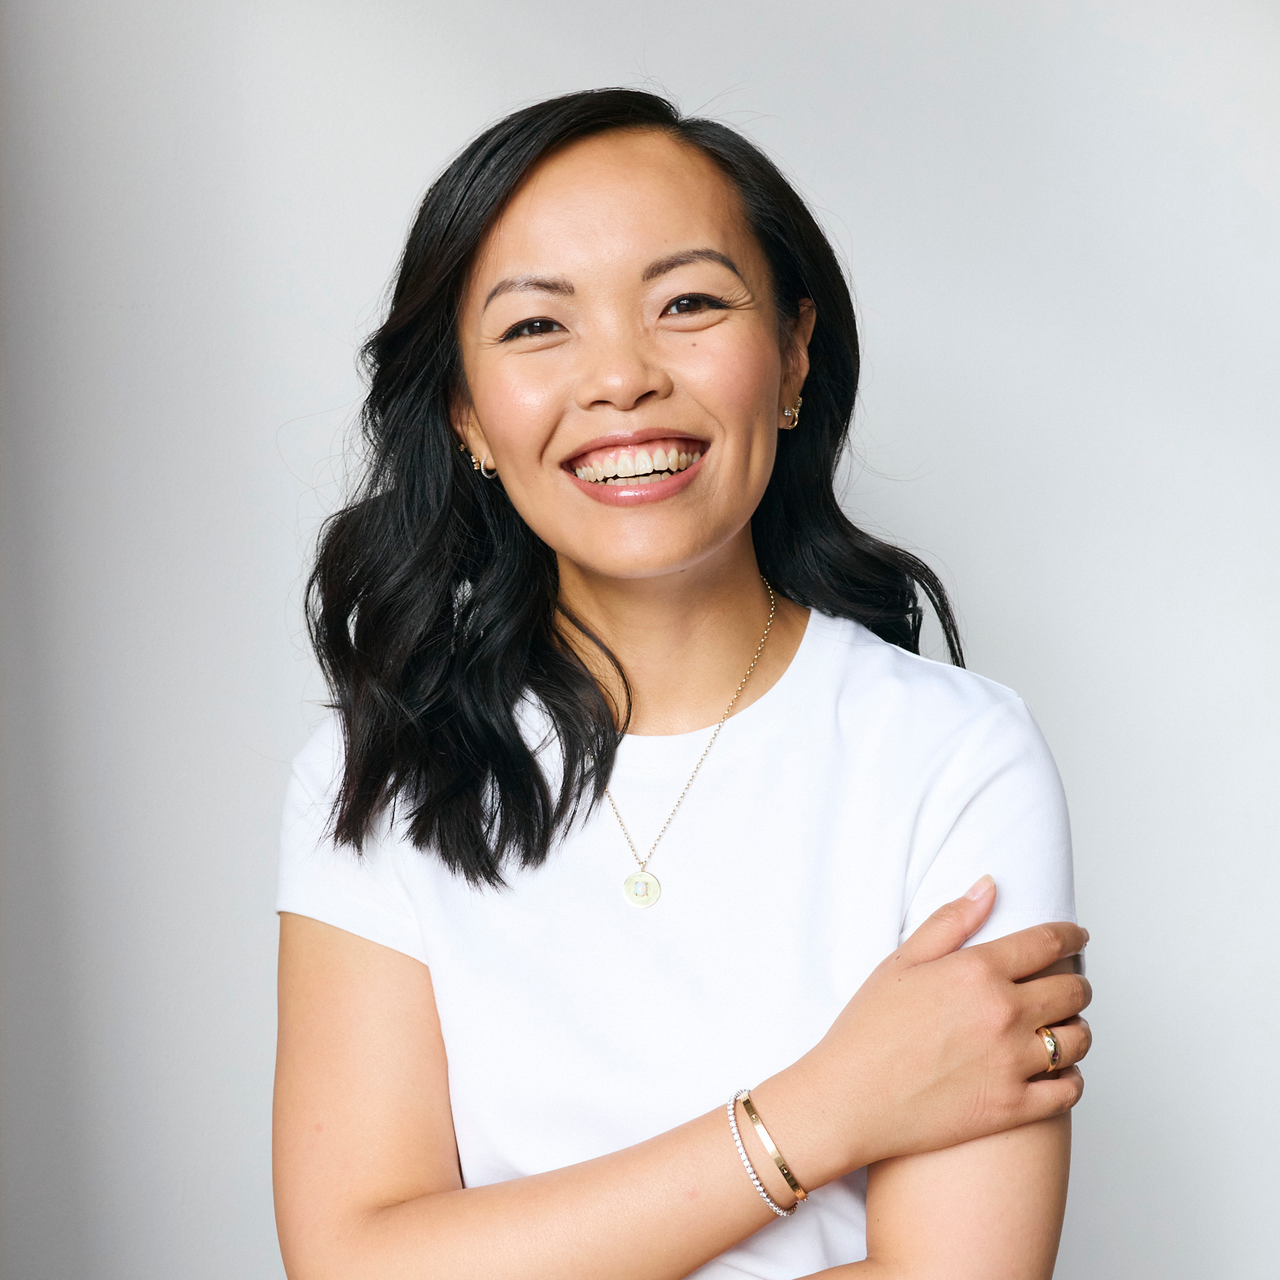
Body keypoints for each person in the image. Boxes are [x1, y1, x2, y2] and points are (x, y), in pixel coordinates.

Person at [272, 88, 1091, 1280]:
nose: (621, 378)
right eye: (536, 327)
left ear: (794, 353)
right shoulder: (376, 772)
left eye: (688, 303)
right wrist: (820, 1109)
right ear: (465, 415)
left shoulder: (952, 757)